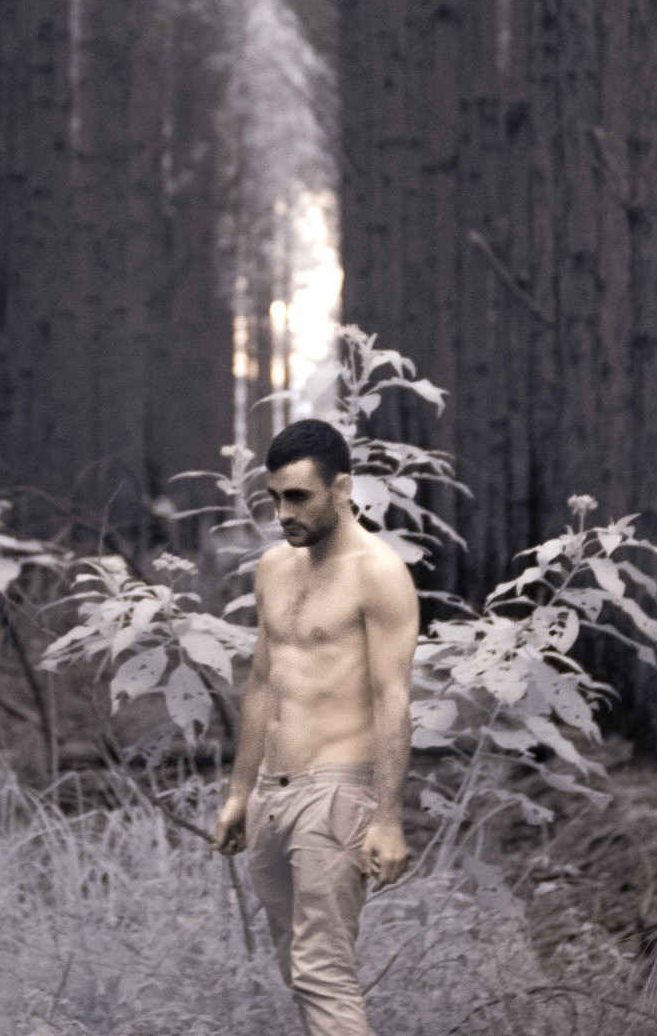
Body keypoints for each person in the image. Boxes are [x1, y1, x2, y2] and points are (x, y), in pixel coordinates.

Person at [212, 418, 420, 1036]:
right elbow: (262, 685)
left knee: (321, 970)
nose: (282, 513)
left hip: (338, 790)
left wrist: (386, 817)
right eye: (274, 498)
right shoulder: (274, 569)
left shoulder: (377, 573)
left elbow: (393, 697)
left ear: (343, 487)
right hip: (273, 797)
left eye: (298, 496)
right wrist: (238, 793)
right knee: (300, 973)